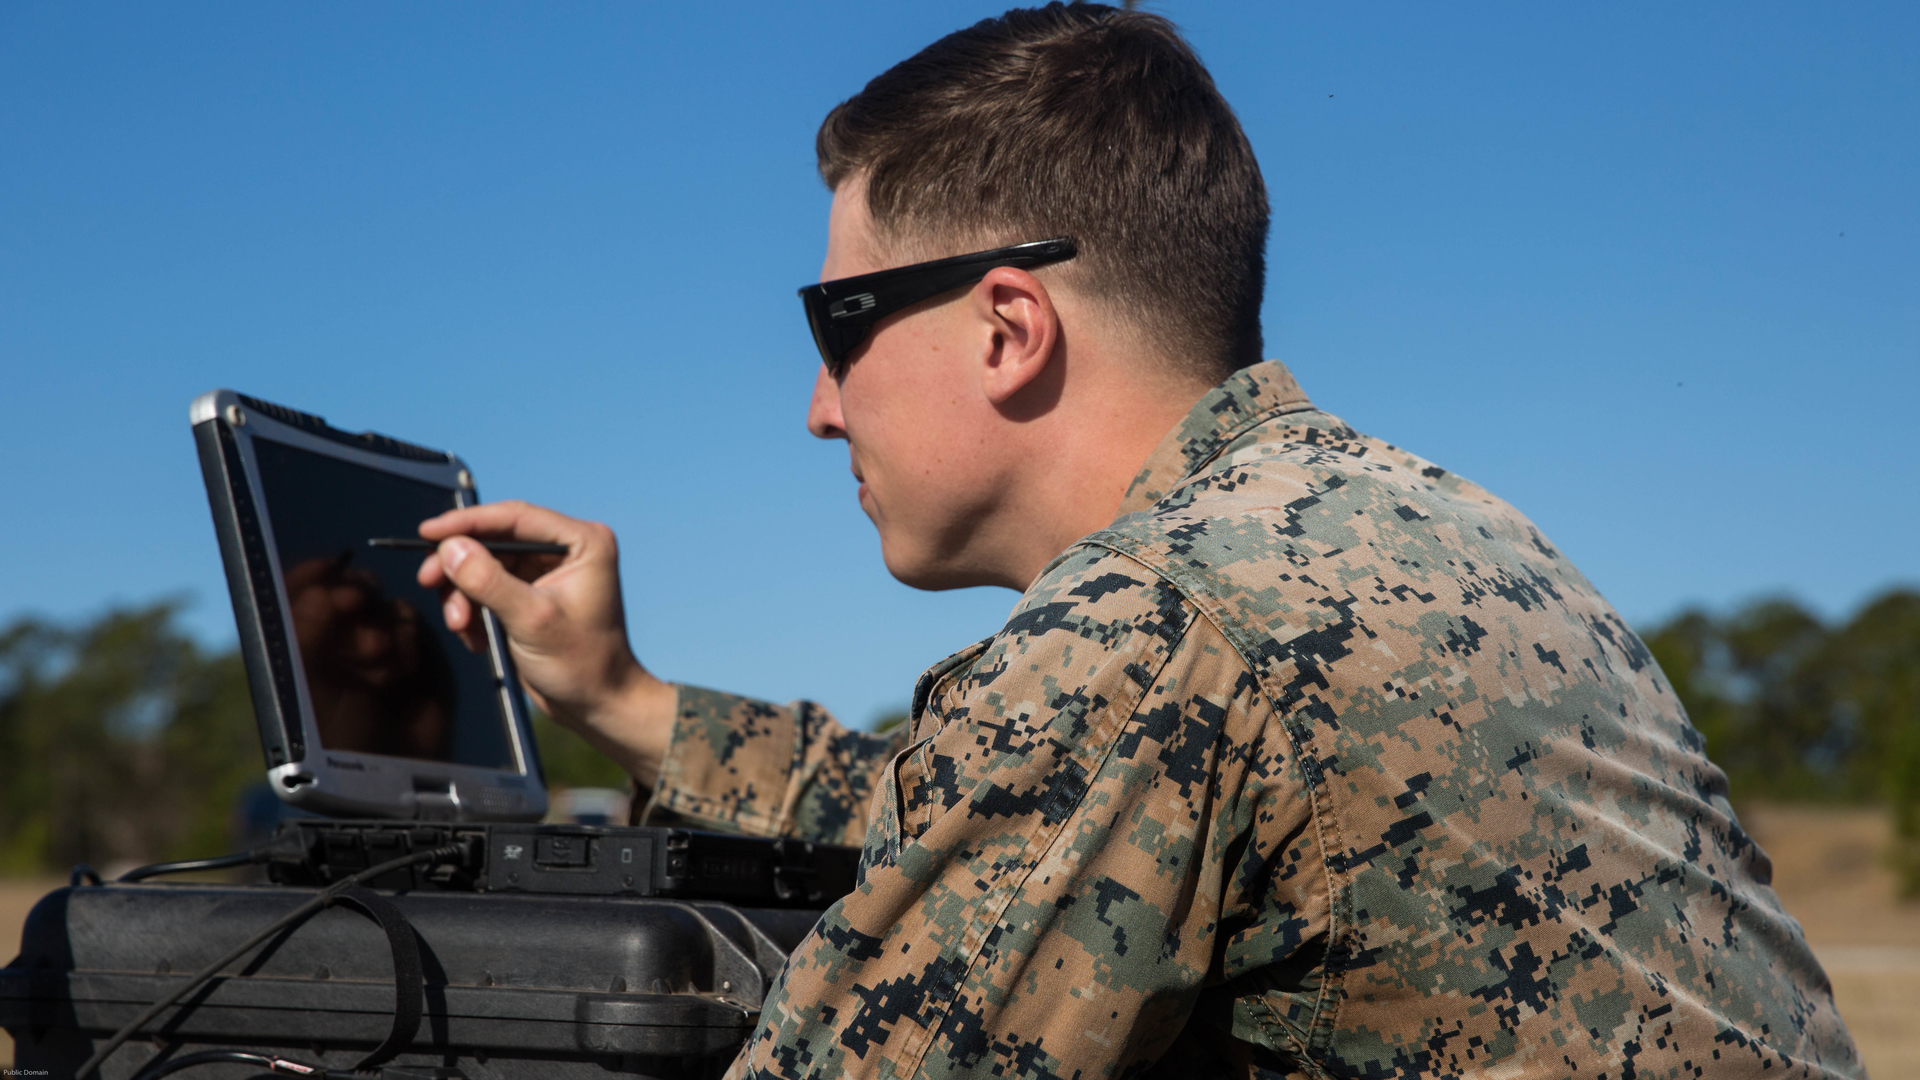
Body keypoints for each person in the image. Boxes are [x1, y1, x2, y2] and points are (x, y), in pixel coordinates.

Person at [414, 5, 1863, 1078]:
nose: (816, 408)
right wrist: (623, 701)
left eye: (836, 327)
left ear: (1007, 327)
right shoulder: (1425, 529)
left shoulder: (1163, 620)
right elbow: (997, 812)